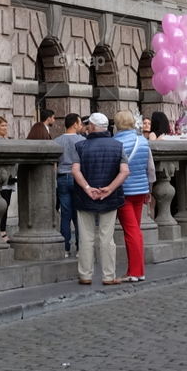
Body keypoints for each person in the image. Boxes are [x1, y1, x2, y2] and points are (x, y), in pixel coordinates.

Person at [71, 112, 129, 286]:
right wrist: (110, 189)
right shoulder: (118, 146)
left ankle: (85, 275)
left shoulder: (80, 146)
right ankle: (108, 275)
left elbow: (75, 170)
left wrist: (88, 188)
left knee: (86, 237)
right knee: (106, 237)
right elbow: (125, 171)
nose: (87, 127)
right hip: (109, 197)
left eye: (89, 124)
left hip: (84, 197)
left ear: (93, 127)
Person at [113, 110, 153, 283]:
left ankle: (135, 271)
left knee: (131, 232)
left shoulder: (115, 143)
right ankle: (136, 270)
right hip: (141, 189)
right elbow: (150, 168)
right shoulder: (143, 141)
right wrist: (149, 189)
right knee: (135, 229)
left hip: (125, 191)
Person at [55, 113, 84, 257]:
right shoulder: (82, 140)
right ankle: (80, 248)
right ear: (74, 124)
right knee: (79, 215)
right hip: (78, 178)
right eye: (80, 123)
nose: (81, 126)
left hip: (62, 177)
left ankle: (65, 248)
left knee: (65, 215)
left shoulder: (57, 141)